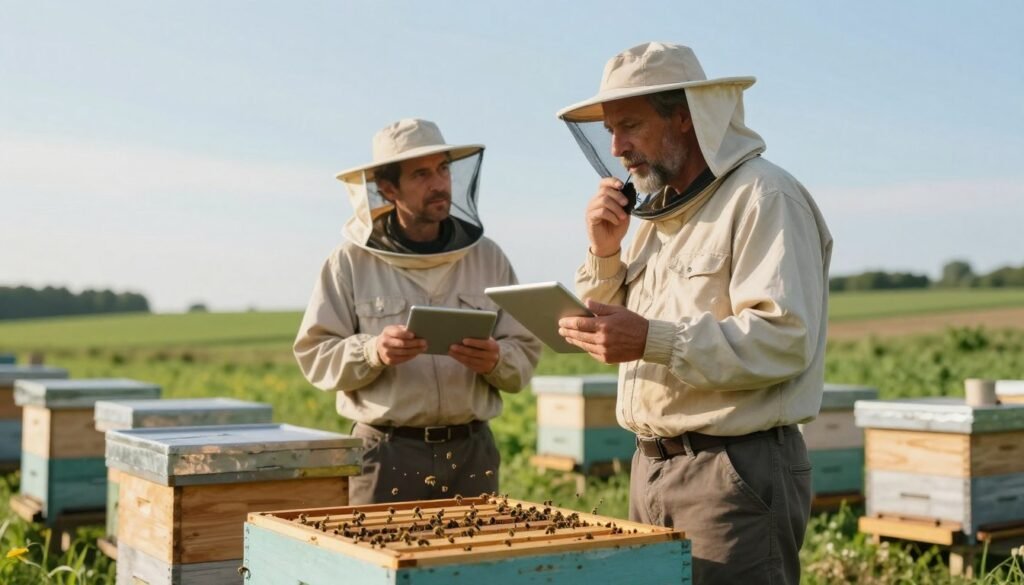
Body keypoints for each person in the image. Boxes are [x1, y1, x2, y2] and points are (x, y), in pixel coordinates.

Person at [555, 42, 833, 584]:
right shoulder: (658, 218)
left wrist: (654, 340)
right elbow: (619, 328)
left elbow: (783, 337)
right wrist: (605, 252)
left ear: (684, 116)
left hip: (733, 471)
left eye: (629, 125)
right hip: (650, 467)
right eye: (610, 130)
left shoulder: (763, 196)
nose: (616, 147)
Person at [294, 118, 541, 504]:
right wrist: (372, 351)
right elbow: (315, 355)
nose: (439, 183)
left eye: (443, 169)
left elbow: (524, 352)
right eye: (421, 174)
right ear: (388, 188)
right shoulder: (350, 261)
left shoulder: (488, 257)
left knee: (472, 564)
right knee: (380, 564)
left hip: (472, 451)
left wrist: (496, 359)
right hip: (386, 452)